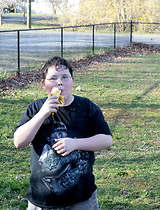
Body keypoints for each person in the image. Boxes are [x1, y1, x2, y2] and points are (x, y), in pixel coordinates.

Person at [14, 56, 112, 210]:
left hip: (82, 198)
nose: (59, 82)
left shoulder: (86, 107)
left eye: (65, 77)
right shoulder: (36, 108)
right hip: (42, 200)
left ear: (72, 80)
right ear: (44, 84)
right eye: (53, 78)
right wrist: (42, 114)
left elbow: (107, 140)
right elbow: (19, 142)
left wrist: (75, 143)